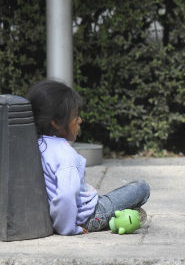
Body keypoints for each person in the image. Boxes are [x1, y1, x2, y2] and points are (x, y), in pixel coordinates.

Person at [26, 79, 150, 235]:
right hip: (89, 215)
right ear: (56, 123)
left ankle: (126, 214)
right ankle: (118, 216)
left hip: (62, 214)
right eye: (75, 116)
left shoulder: (34, 144)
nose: (80, 120)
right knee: (142, 188)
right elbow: (66, 196)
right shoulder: (65, 155)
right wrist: (68, 228)